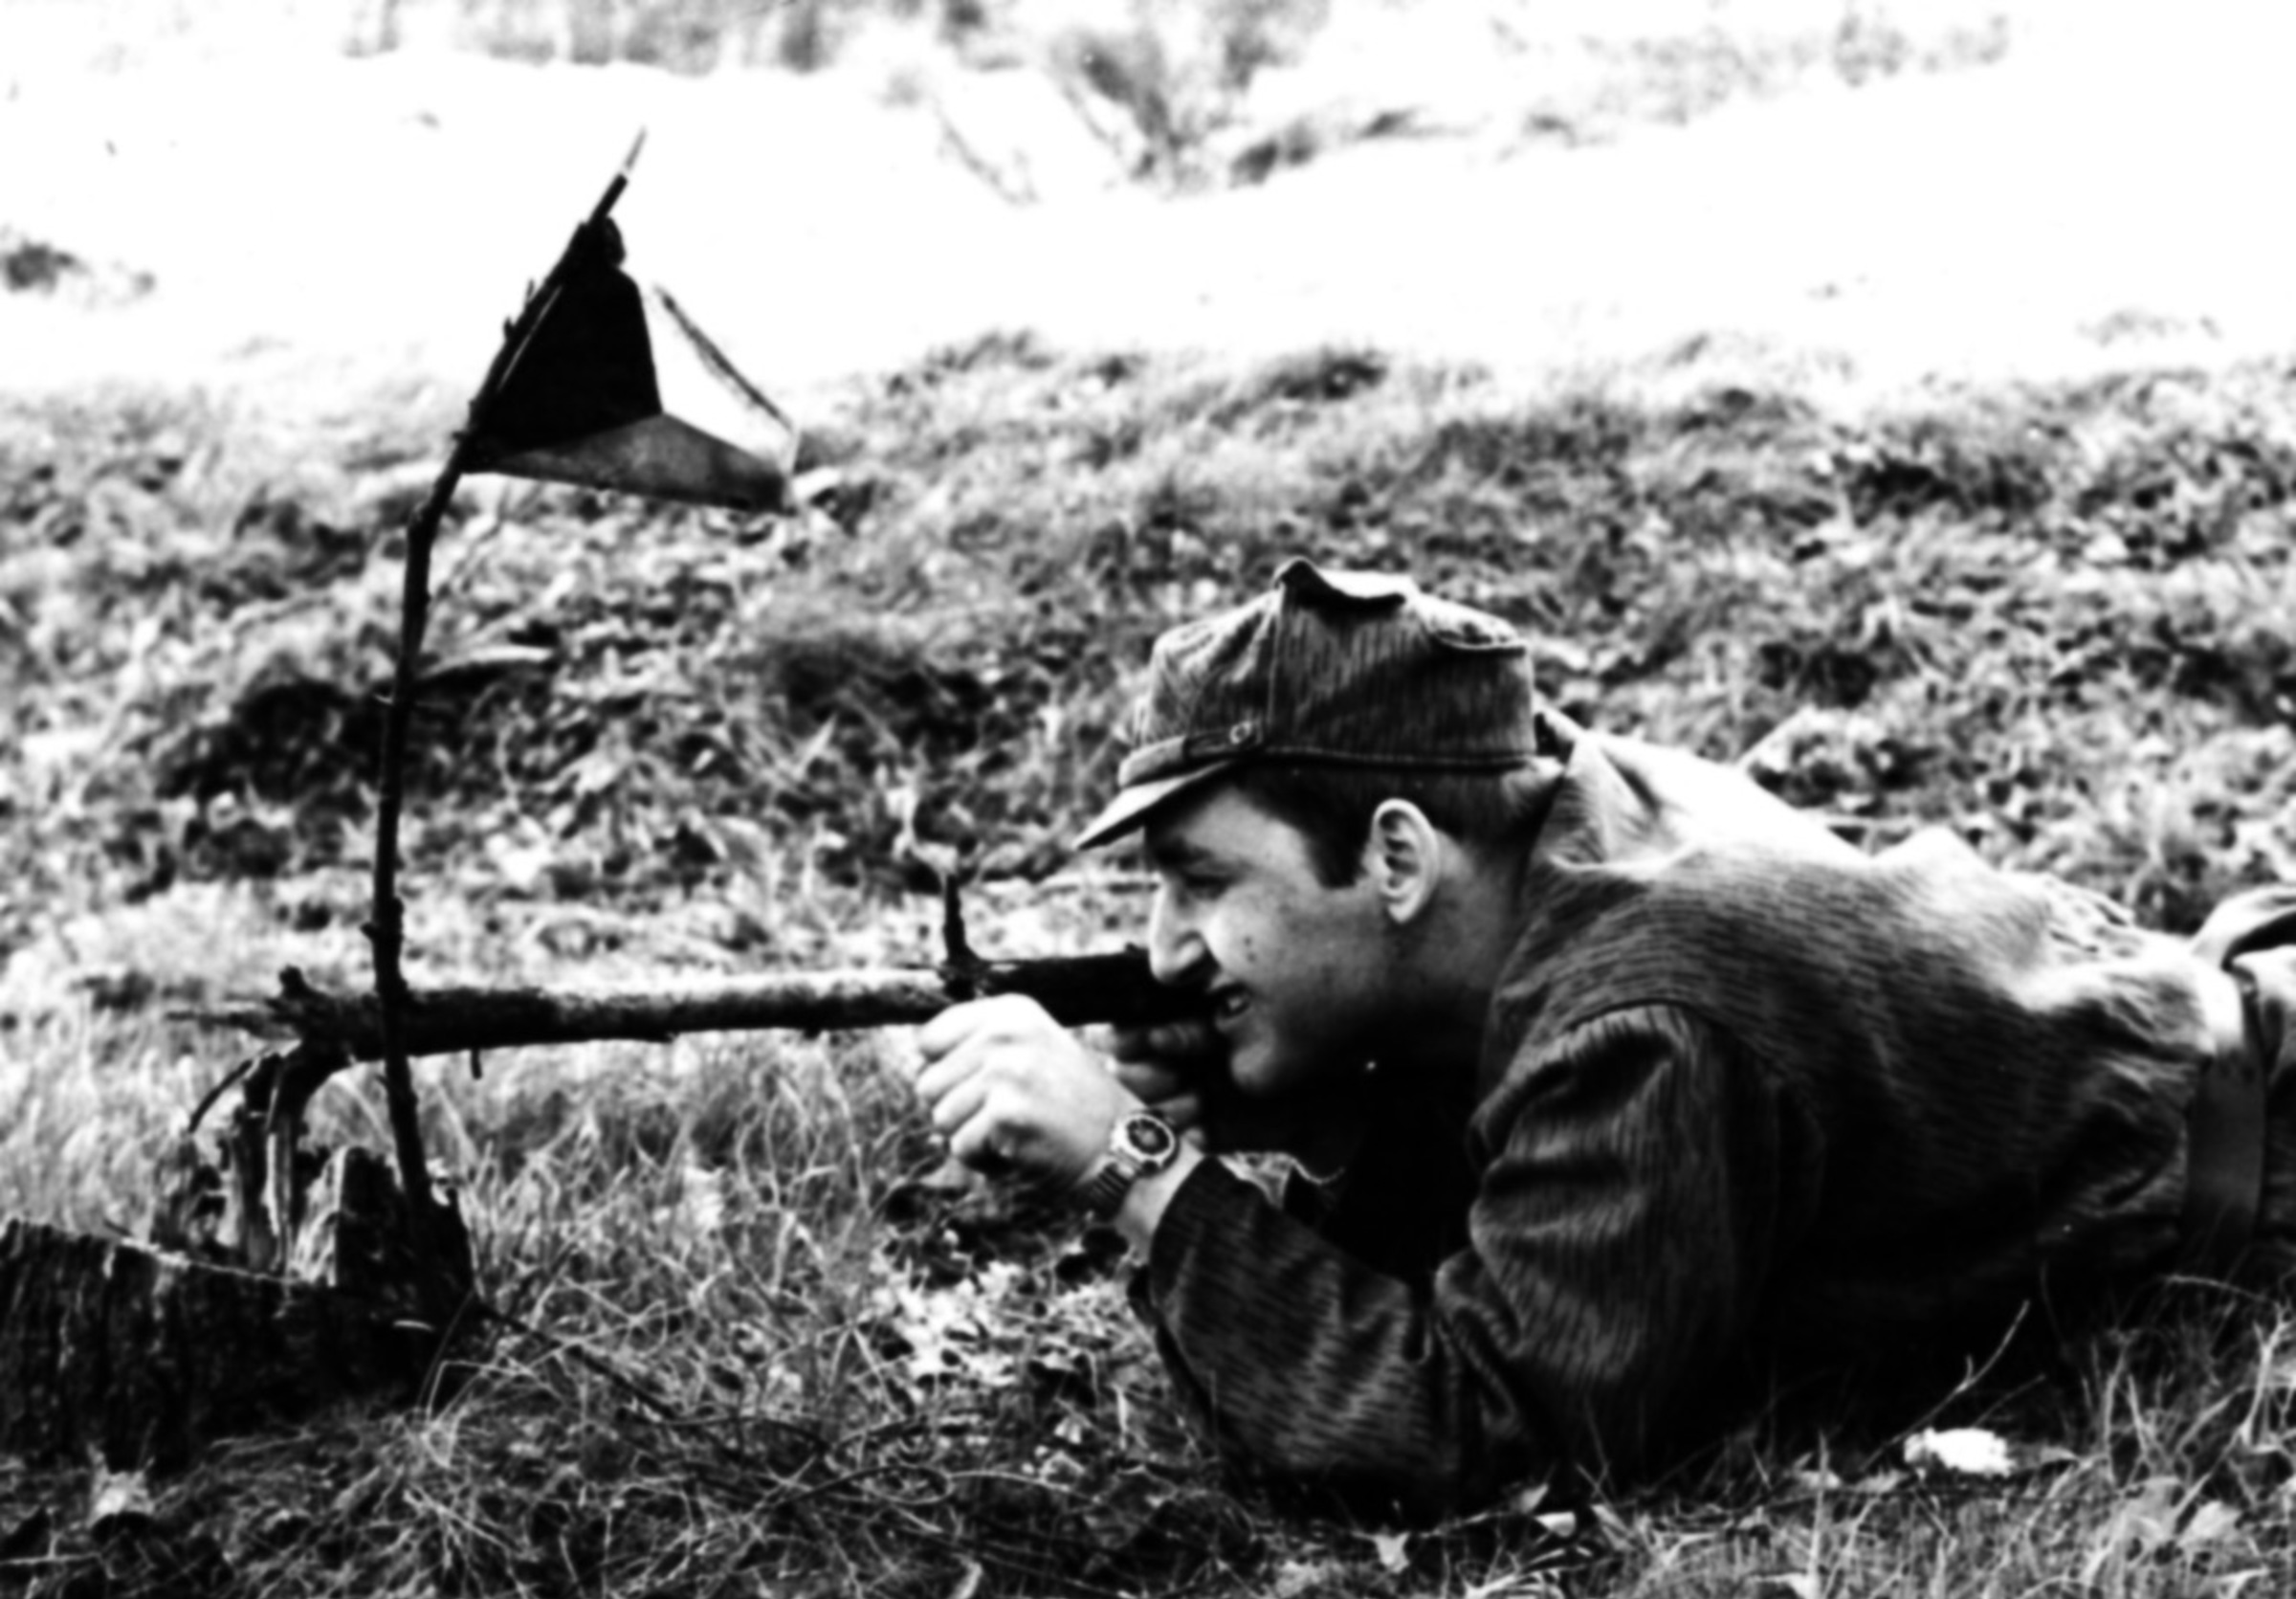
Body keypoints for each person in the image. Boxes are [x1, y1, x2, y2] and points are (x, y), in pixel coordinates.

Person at [913, 557, 2296, 1521]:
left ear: (1397, 857)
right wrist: (1321, 1114)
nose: (1164, 948)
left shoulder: (1643, 1017)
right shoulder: (1560, 822)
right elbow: (1524, 1192)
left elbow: (1488, 1436)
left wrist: (1136, 1171)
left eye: (1205, 883)